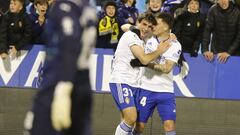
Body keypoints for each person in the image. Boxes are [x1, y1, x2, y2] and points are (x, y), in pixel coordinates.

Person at [24, 0, 97, 135]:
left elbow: (70, 41)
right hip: (82, 83)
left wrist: (64, 86)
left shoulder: (64, 7)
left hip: (58, 82)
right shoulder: (87, 7)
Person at [109, 12, 171, 135]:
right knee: (131, 118)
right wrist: (159, 50)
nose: (146, 28)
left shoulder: (142, 39)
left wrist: (171, 35)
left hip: (135, 84)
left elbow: (125, 26)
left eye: (149, 27)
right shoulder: (131, 36)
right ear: (138, 22)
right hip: (122, 80)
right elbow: (144, 59)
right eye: (144, 24)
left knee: (128, 121)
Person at [131, 12, 181, 135]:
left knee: (169, 126)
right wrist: (133, 28)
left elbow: (167, 68)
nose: (152, 26)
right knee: (139, 127)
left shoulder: (175, 45)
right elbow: (126, 27)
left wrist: (145, 63)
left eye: (156, 24)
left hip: (165, 91)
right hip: (146, 88)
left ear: (166, 26)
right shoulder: (148, 37)